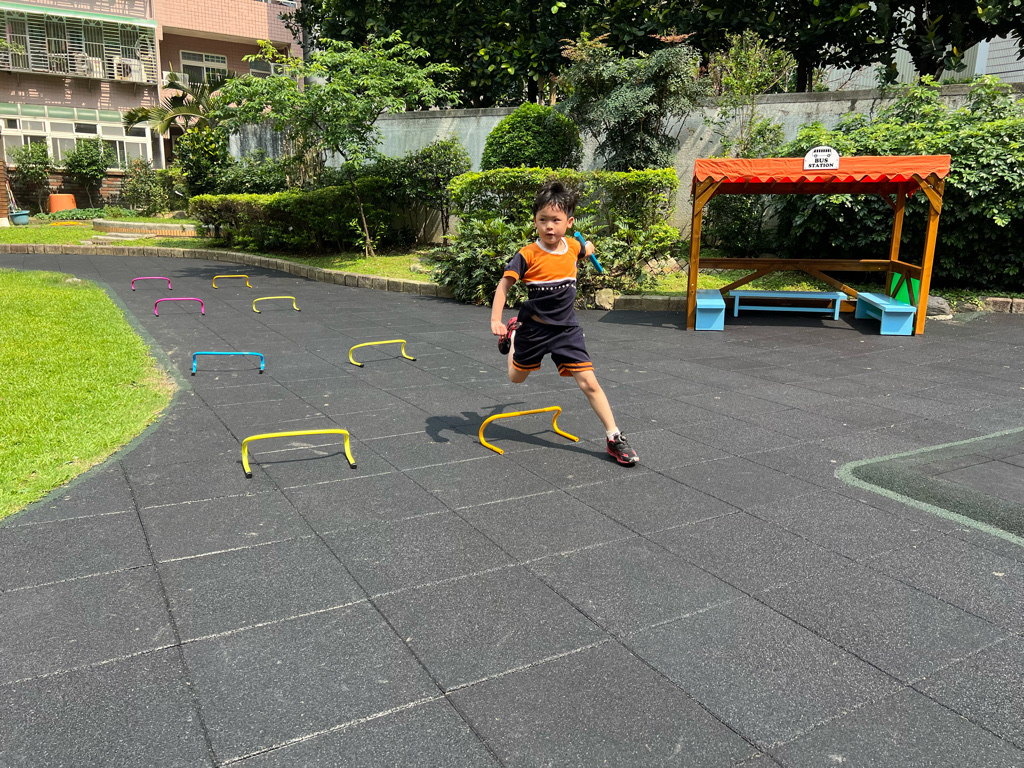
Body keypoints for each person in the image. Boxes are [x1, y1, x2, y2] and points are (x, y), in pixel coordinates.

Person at [489, 180, 639, 466]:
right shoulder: (526, 255)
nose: (549, 226)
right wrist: (496, 319)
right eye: (542, 220)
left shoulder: (573, 247)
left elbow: (585, 249)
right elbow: (503, 286)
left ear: (569, 223)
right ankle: (513, 333)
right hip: (534, 329)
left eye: (556, 220)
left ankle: (614, 436)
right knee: (516, 378)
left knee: (589, 382)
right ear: (535, 221)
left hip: (567, 330)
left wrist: (588, 247)